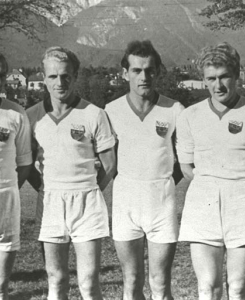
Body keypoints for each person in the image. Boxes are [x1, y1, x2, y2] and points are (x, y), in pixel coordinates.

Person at [176, 42, 245, 300]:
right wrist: (210, 187)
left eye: (224, 77)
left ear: (237, 75)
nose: (218, 85)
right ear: (204, 80)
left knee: (239, 287)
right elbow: (186, 166)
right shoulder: (190, 115)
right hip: (203, 203)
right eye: (211, 78)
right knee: (207, 286)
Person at [27, 46, 116, 300]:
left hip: (87, 202)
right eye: (53, 76)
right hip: (51, 202)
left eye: (66, 76)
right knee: (57, 280)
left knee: (88, 283)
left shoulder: (94, 114)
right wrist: (45, 188)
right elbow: (25, 164)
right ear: (43, 78)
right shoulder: (31, 117)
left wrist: (89, 188)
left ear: (75, 76)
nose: (60, 82)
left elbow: (109, 165)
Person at [105, 40, 184, 300]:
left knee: (160, 284)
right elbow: (108, 160)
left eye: (150, 70)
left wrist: (162, 183)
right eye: (137, 70)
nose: (144, 76)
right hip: (126, 203)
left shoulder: (174, 110)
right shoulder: (111, 111)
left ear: (158, 71)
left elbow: (183, 162)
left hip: (162, 203)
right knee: (131, 282)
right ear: (125, 73)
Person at [0, 54, 32, 299]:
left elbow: (24, 162)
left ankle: (1, 291)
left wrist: (11, 187)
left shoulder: (16, 114)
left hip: (5, 192)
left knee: (6, 243)